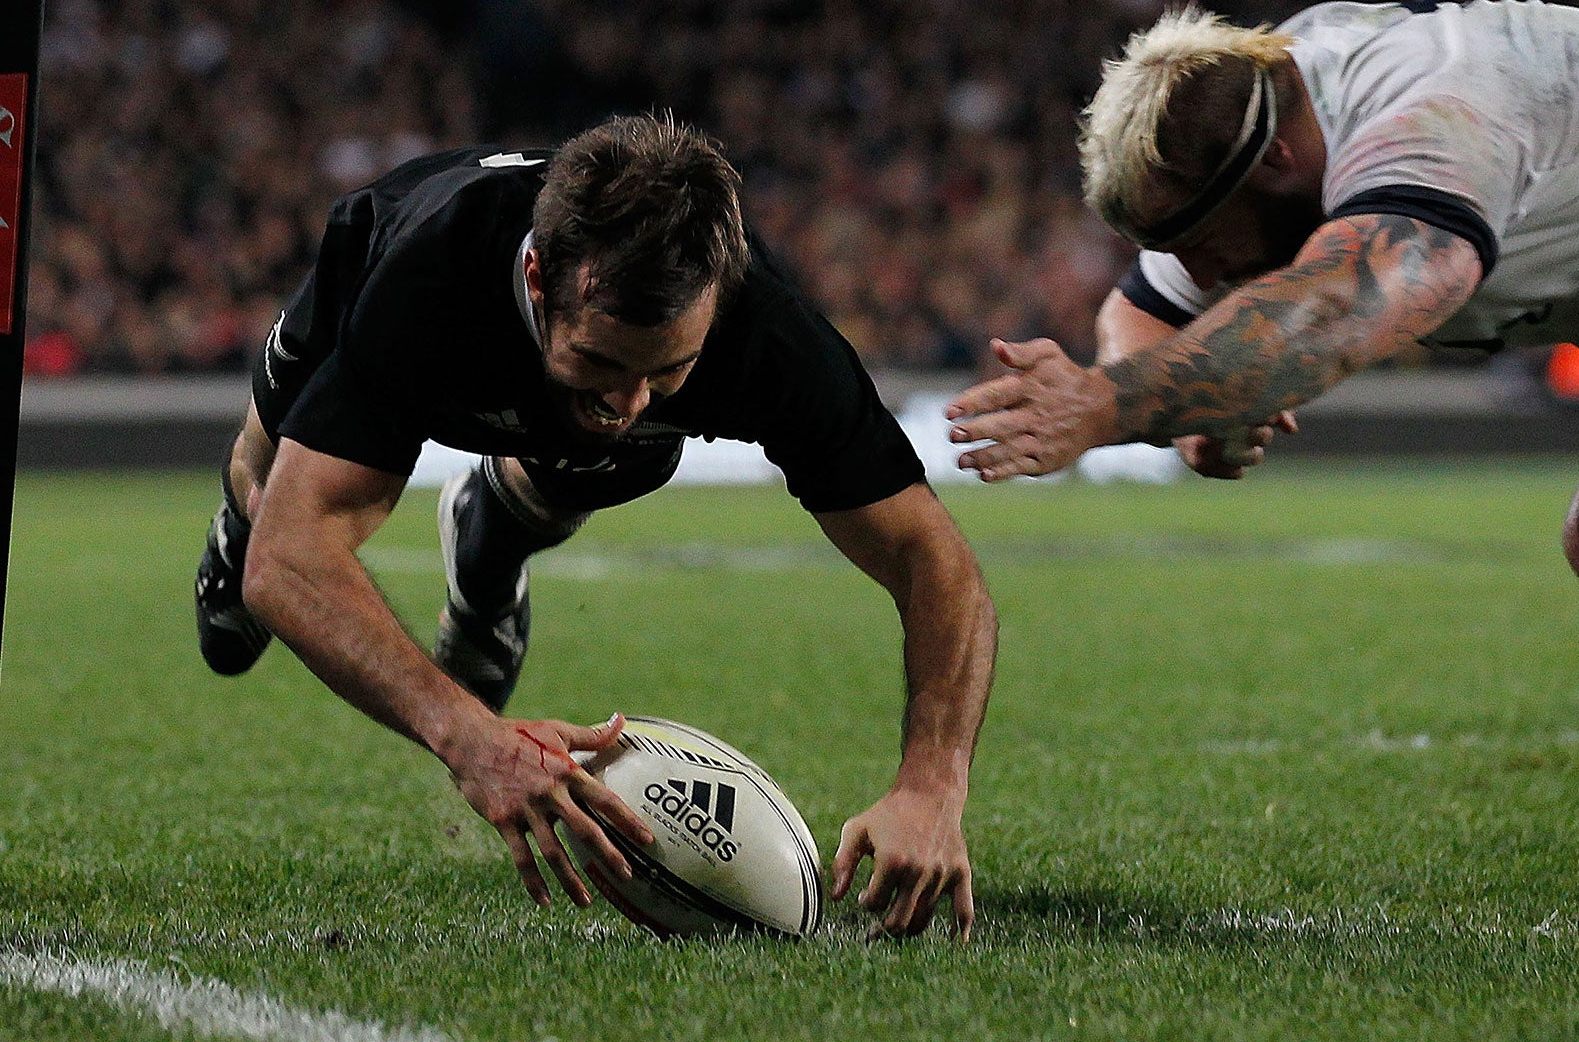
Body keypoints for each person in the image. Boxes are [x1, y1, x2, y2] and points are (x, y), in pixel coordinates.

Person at [196, 114, 994, 939]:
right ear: (541, 280)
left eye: (669, 369)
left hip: (571, 411)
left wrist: (932, 785)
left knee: (634, 453)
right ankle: (235, 515)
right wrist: (473, 740)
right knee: (264, 492)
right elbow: (292, 560)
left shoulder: (767, 335)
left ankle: (491, 542)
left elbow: (929, 555)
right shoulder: (431, 279)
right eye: (603, 361)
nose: (630, 400)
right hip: (374, 269)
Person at [948, 0, 1579, 707]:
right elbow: (1143, 309)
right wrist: (1192, 414)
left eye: (1196, 238)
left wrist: (1108, 405)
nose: (1199, 272)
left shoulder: (1431, 113)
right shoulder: (1257, 124)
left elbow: (1341, 307)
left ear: (1274, 163)